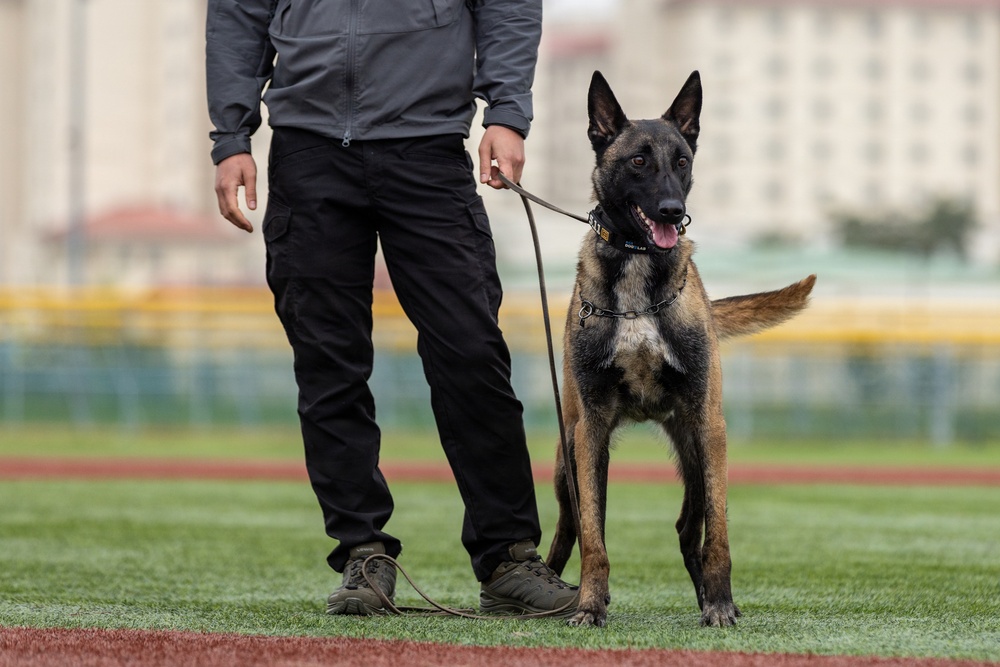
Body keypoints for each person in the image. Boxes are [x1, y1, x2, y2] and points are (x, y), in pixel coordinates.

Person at [205, 0, 578, 616]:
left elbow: (507, 7)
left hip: (428, 147)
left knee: (471, 353)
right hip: (308, 151)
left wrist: (507, 112)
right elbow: (238, 14)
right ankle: (363, 553)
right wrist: (230, 136)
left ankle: (508, 558)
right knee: (328, 366)